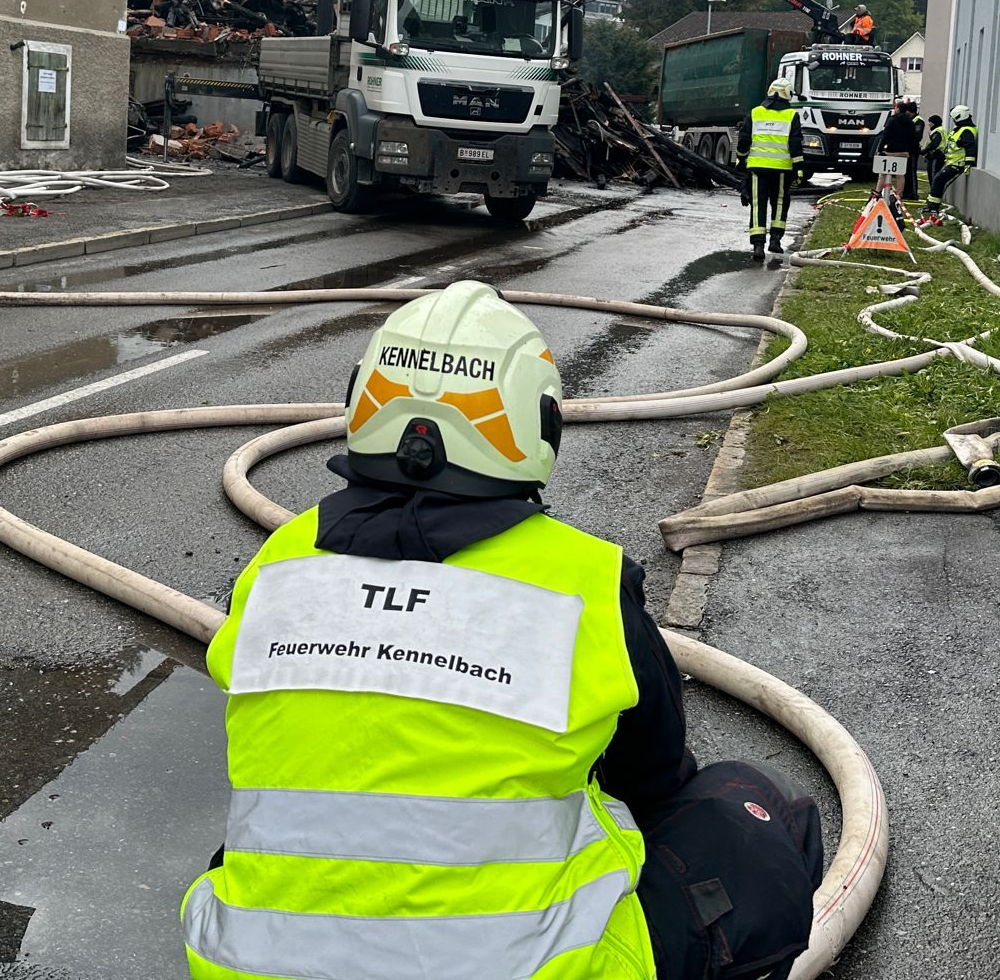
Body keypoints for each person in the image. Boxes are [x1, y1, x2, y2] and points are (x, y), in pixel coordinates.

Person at [181, 282, 825, 980]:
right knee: (755, 812)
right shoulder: (584, 581)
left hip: (248, 965)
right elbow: (657, 778)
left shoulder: (278, 562)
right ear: (538, 425)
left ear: (360, 401)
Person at [737, 78, 802, 262]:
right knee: (780, 202)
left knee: (758, 204)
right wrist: (798, 169)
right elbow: (795, 145)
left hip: (757, 168)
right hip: (782, 169)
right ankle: (775, 240)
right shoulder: (791, 115)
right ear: (788, 94)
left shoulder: (755, 113)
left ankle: (758, 245)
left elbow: (744, 140)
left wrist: (741, 160)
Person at [923, 104, 978, 225]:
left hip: (958, 164)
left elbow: (970, 148)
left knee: (939, 180)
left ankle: (933, 206)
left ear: (959, 117)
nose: (954, 121)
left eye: (954, 119)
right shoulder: (958, 130)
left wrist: (968, 163)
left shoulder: (967, 131)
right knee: (938, 179)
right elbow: (950, 146)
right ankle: (931, 205)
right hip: (951, 162)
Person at [875, 97, 923, 210]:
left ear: (897, 109)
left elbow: (885, 135)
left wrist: (880, 148)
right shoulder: (911, 123)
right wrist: (908, 149)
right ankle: (899, 195)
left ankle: (877, 193)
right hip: (904, 152)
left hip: (891, 151)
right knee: (901, 175)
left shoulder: (892, 120)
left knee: (883, 174)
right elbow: (913, 137)